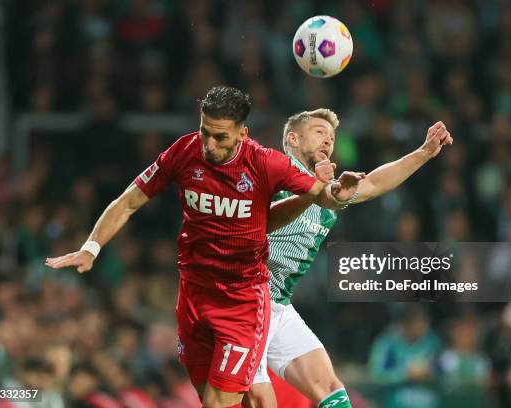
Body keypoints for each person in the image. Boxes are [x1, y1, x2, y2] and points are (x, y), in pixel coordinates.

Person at [45, 86, 364, 408]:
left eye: (221, 137)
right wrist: (91, 247)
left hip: (241, 303)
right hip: (193, 297)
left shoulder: (266, 163)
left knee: (220, 403)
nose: (209, 145)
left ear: (243, 133)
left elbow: (322, 195)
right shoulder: (185, 151)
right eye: (204, 132)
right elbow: (128, 201)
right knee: (214, 401)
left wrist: (334, 187)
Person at [245, 109, 452, 408]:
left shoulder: (331, 191)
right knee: (258, 399)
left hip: (278, 305)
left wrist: (425, 151)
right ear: (292, 138)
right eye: (318, 131)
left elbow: (377, 183)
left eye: (331, 136)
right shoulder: (272, 170)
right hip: (245, 300)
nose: (328, 140)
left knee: (332, 391)